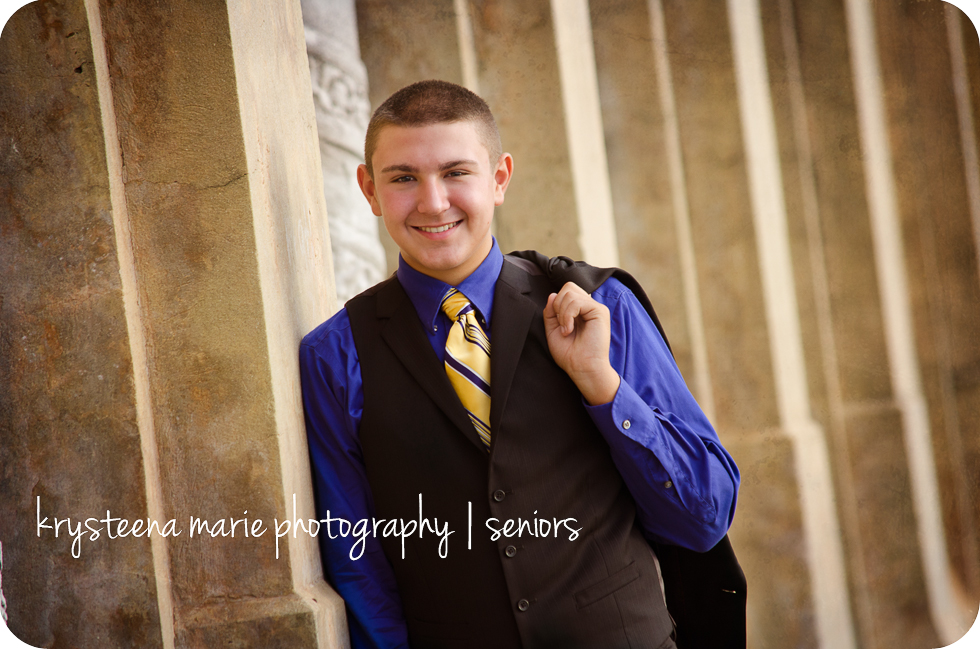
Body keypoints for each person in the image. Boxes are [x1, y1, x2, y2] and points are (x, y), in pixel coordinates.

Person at [300, 79, 741, 649]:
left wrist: (602, 386)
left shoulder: (601, 306)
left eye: (456, 172)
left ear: (500, 178)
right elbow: (358, 563)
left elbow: (703, 518)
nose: (433, 202)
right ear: (368, 188)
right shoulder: (333, 355)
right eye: (404, 177)